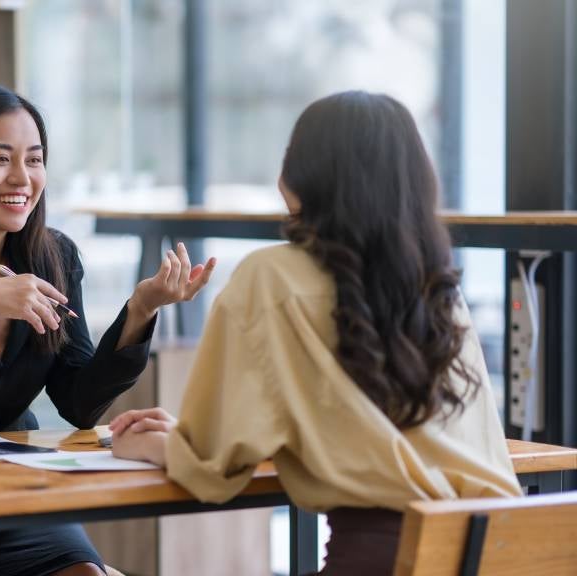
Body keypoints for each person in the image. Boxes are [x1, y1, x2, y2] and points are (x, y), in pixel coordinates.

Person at [109, 91, 522, 575]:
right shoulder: (438, 289)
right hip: (507, 551)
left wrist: (149, 444)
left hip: (382, 561)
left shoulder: (271, 278)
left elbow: (212, 469)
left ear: (299, 177)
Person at [0, 84, 216, 576]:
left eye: (34, 159)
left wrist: (140, 309)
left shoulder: (56, 257)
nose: (21, 178)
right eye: (0, 159)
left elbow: (78, 402)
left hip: (14, 495)